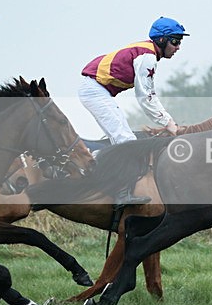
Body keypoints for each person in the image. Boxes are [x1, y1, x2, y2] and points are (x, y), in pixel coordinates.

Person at [79, 16, 188, 206]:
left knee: (121, 140)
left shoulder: (147, 51)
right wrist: (169, 123)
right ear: (162, 40)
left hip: (97, 90)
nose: (178, 47)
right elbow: (146, 96)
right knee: (126, 141)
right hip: (95, 90)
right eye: (175, 41)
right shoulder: (148, 57)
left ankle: (103, 174)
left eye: (180, 42)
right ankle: (121, 193)